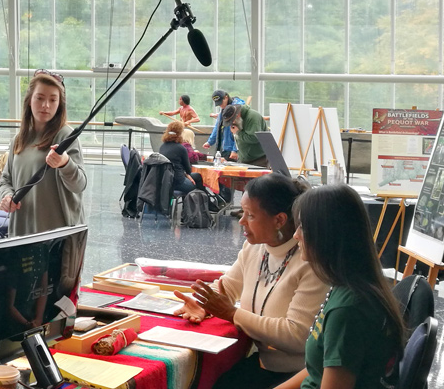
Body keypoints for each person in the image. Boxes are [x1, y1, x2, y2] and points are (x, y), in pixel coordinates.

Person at [173, 174, 329, 389]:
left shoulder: (309, 261)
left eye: (250, 215)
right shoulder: (254, 247)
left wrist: (231, 313)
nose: (241, 221)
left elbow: (296, 335)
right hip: (263, 365)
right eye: (242, 213)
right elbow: (227, 288)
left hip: (299, 376)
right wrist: (202, 305)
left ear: (279, 220)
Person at [275, 185, 405, 389]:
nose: (296, 235)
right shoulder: (347, 284)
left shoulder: (348, 311)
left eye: (303, 227)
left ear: (327, 234)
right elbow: (316, 368)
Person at [0, 70, 87, 237]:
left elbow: (79, 185)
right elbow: (5, 179)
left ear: (59, 104)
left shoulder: (66, 136)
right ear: (30, 101)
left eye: (53, 100)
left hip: (56, 236)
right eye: (40, 98)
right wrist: (7, 196)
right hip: (22, 232)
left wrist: (65, 163)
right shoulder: (19, 139)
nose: (46, 105)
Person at [159, 121, 203, 195]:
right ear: (180, 133)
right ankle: (201, 202)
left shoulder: (162, 147)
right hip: (178, 181)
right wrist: (187, 175)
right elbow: (188, 169)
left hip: (165, 181)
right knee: (197, 182)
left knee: (197, 176)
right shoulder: (181, 148)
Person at [204, 89, 245, 161]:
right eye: (218, 104)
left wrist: (235, 150)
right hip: (222, 147)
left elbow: (239, 133)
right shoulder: (223, 110)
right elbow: (217, 126)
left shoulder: (236, 110)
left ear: (226, 97)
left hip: (231, 149)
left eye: (221, 102)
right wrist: (210, 142)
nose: (220, 105)